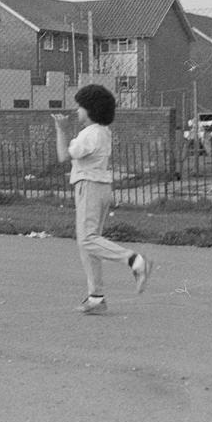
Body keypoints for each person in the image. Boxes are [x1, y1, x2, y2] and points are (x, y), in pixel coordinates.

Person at [53, 84, 153, 314]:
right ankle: (96, 298)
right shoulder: (103, 132)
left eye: (80, 107)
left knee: (87, 239)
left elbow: (62, 156)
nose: (77, 111)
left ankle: (135, 261)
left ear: (90, 109)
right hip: (100, 187)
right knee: (89, 243)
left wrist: (60, 129)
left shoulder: (90, 134)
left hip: (88, 187)